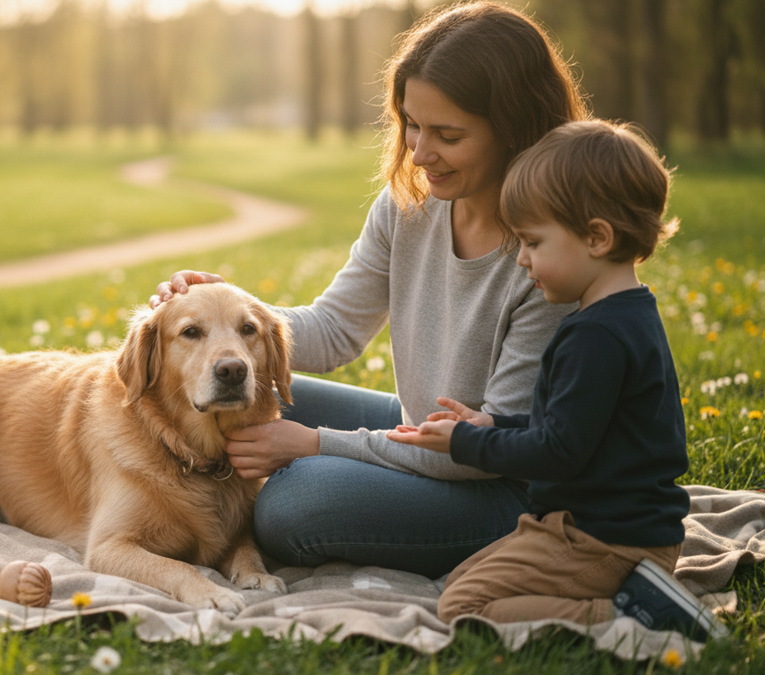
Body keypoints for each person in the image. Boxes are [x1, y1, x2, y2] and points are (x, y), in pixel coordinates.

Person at [151, 1, 587, 578]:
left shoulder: (552, 255)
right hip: (420, 432)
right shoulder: (409, 206)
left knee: (290, 507)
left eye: (448, 134)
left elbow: (487, 452)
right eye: (411, 123)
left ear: (515, 128)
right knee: (256, 389)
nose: (419, 152)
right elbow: (333, 329)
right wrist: (231, 317)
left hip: (503, 486)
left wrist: (314, 445)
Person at [385, 119, 726, 641]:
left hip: (605, 539)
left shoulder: (595, 338)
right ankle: (629, 593)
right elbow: (575, 422)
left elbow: (557, 451)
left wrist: (467, 441)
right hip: (606, 529)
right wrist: (493, 420)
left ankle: (632, 615)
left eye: (533, 242)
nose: (522, 259)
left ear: (596, 237)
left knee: (461, 603)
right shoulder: (625, 314)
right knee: (458, 578)